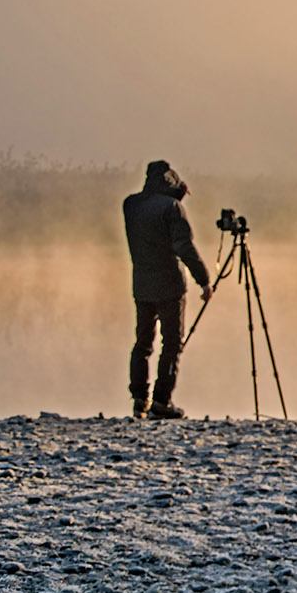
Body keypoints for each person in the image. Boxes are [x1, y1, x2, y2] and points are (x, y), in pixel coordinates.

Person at [123, 159, 212, 420]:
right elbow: (183, 246)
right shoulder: (172, 208)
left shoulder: (130, 205)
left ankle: (140, 400)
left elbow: (151, 218)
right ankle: (162, 401)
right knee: (172, 343)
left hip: (141, 284)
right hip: (171, 285)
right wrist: (204, 280)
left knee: (143, 342)